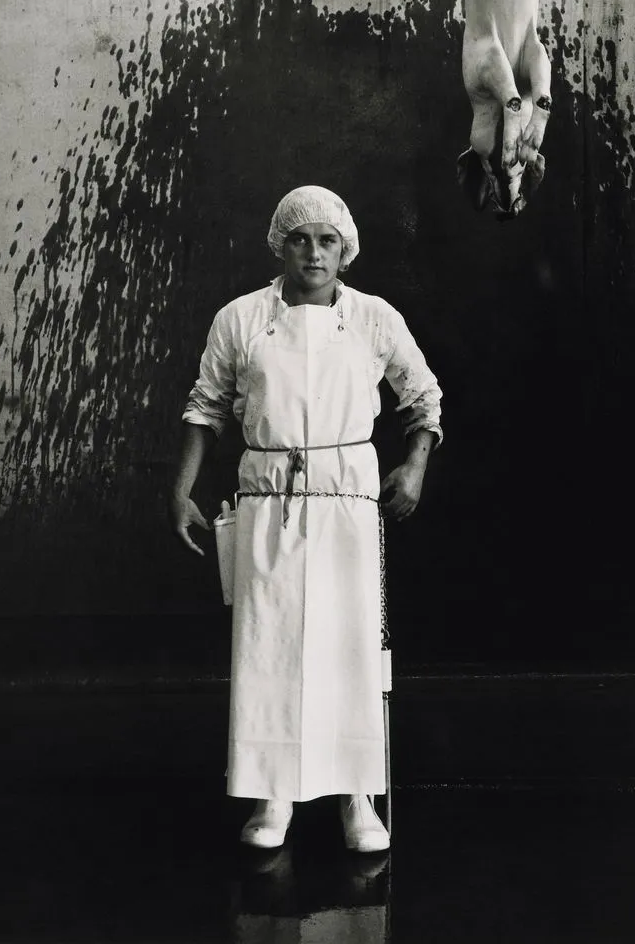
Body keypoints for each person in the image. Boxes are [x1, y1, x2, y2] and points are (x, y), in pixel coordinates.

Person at [170, 186, 443, 853]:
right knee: (271, 647)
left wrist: (413, 468)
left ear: (345, 249)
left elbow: (424, 399)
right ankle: (275, 796)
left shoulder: (374, 319)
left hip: (348, 504)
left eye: (327, 241)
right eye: (301, 239)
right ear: (280, 244)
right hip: (268, 502)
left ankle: (358, 799)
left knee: (349, 649)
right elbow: (204, 408)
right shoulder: (240, 319)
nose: (314, 253)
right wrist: (179, 491)